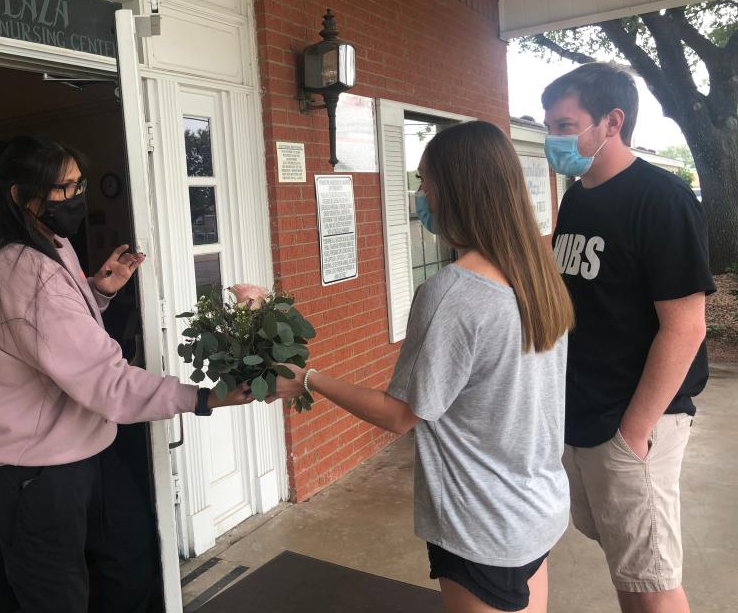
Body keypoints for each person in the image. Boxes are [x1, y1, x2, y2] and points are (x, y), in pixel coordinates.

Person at [275, 121, 574, 613]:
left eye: (425, 183)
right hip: (536, 507)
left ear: (456, 191)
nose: (420, 195)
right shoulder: (538, 278)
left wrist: (309, 378)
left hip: (482, 521)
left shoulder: (453, 293)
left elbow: (400, 415)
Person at [0, 135, 250, 613]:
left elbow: (52, 337)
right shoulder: (24, 272)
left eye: (79, 184)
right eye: (62, 189)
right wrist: (205, 398)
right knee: (58, 598)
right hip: (31, 470)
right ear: (20, 196)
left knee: (131, 556)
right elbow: (107, 382)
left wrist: (96, 292)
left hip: (82, 446)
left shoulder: (54, 247)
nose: (75, 197)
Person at [542, 63, 714, 613]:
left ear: (612, 121)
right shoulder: (577, 198)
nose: (554, 137)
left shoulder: (662, 198)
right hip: (584, 412)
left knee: (652, 579)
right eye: (550, 125)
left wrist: (634, 433)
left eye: (565, 124)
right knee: (628, 564)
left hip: (636, 419)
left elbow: (686, 326)